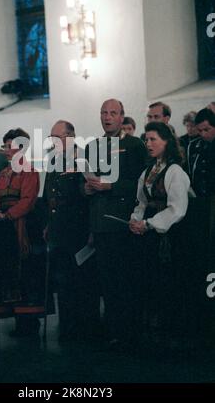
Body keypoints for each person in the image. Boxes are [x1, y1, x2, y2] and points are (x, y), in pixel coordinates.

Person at [85, 99, 147, 349]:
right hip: (99, 224)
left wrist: (112, 185)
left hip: (122, 224)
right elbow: (84, 182)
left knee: (125, 282)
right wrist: (86, 188)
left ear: (122, 117)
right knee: (106, 283)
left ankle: (129, 332)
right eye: (103, 112)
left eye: (113, 113)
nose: (107, 117)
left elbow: (142, 184)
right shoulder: (92, 146)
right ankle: (113, 330)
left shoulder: (134, 145)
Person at [129, 122, 190, 345]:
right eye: (146, 139)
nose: (148, 143)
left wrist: (150, 223)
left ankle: (168, 335)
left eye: (153, 139)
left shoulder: (175, 172)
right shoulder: (147, 172)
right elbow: (141, 202)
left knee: (167, 283)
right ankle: (151, 333)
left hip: (170, 238)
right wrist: (136, 221)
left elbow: (177, 209)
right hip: (148, 236)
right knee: (149, 282)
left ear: (166, 142)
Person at [43, 120, 100, 341]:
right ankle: (68, 325)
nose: (53, 142)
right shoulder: (53, 160)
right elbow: (51, 196)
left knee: (83, 281)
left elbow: (91, 197)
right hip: (59, 230)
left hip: (79, 229)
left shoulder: (83, 158)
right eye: (51, 138)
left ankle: (88, 327)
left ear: (70, 137)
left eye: (57, 137)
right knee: (63, 280)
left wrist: (92, 229)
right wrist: (48, 223)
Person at [0, 128, 41, 336]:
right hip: (3, 230)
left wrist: (7, 215)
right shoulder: (3, 173)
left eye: (10, 146)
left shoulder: (30, 171)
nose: (7, 151)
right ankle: (18, 321)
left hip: (22, 229)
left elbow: (27, 201)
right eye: (5, 146)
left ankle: (28, 323)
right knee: (9, 273)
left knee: (25, 275)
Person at [187, 108, 215, 197]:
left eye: (207, 130)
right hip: (199, 198)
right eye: (199, 130)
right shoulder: (193, 146)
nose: (203, 134)